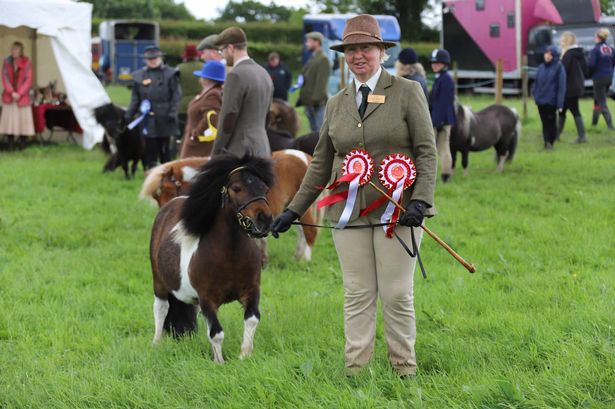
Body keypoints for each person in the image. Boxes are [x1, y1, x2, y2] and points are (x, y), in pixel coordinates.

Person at [271, 14, 437, 378]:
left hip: (400, 210)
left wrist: (421, 200)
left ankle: (404, 370)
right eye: (350, 50)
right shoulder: (336, 103)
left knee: (396, 295)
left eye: (365, 48)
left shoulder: (408, 92)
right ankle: (355, 372)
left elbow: (427, 150)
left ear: (381, 51)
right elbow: (319, 165)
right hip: (348, 213)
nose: (358, 56)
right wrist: (293, 210)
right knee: (358, 294)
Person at [212, 27, 273, 157]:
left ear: (231, 48)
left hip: (240, 151)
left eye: (221, 50)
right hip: (263, 148)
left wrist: (216, 152)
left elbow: (228, 119)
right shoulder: (264, 73)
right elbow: (268, 116)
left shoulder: (235, 75)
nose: (221, 54)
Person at [125, 46, 181, 169]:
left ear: (161, 58)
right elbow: (135, 99)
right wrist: (128, 115)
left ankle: (168, 174)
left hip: (165, 118)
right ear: (145, 60)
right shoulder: (140, 75)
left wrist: (172, 113)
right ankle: (150, 173)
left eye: (155, 58)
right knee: (149, 150)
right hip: (147, 120)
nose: (153, 60)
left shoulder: (171, 74)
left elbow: (176, 96)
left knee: (165, 150)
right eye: (149, 58)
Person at [179, 60, 225, 158]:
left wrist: (195, 134)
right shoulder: (207, 92)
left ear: (207, 79)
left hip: (199, 147)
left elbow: (211, 119)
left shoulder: (213, 95)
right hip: (195, 144)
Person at [1, 41, 34, 151]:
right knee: (9, 122)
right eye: (12, 49)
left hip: (22, 98)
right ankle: (10, 145)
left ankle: (23, 145)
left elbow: (28, 80)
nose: (14, 51)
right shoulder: (6, 62)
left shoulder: (27, 62)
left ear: (21, 51)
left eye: (16, 49)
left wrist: (19, 93)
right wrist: (11, 92)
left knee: (23, 122)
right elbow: (4, 78)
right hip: (10, 97)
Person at [429, 48, 456, 183]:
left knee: (443, 148)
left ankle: (446, 174)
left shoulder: (446, 81)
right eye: (433, 63)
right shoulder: (440, 78)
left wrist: (437, 123)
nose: (434, 65)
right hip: (439, 120)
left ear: (445, 64)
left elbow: (443, 104)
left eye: (438, 63)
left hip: (441, 121)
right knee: (441, 148)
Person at [533, 46, 566, 151]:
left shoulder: (559, 68)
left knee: (551, 123)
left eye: (550, 54)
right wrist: (535, 95)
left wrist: (560, 103)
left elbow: (562, 86)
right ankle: (546, 143)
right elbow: (536, 83)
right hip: (541, 101)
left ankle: (551, 142)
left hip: (552, 101)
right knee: (544, 123)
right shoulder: (541, 67)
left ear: (554, 56)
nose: (547, 56)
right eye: (546, 53)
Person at [558, 32, 589, 143]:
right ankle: (556, 135)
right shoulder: (579, 53)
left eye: (562, 40)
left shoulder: (568, 54)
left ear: (566, 41)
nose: (560, 42)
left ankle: (582, 136)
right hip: (577, 86)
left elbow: (563, 71)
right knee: (562, 111)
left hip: (569, 88)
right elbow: (586, 70)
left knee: (575, 111)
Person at [298, 31, 331, 132]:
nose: (306, 43)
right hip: (310, 103)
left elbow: (321, 84)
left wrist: (314, 101)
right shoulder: (313, 57)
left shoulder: (323, 59)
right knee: (314, 133)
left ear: (317, 42)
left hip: (317, 104)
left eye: (309, 41)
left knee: (320, 133)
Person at [176, 44, 203, 154]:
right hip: (201, 104)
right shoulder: (204, 66)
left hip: (183, 105)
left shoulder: (179, 68)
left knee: (182, 132)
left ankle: (180, 152)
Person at [588, 28, 615, 130]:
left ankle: (610, 125)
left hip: (599, 77)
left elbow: (591, 64)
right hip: (609, 76)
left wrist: (589, 73)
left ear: (598, 38)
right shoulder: (611, 48)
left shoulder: (595, 50)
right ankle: (594, 123)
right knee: (597, 99)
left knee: (602, 102)